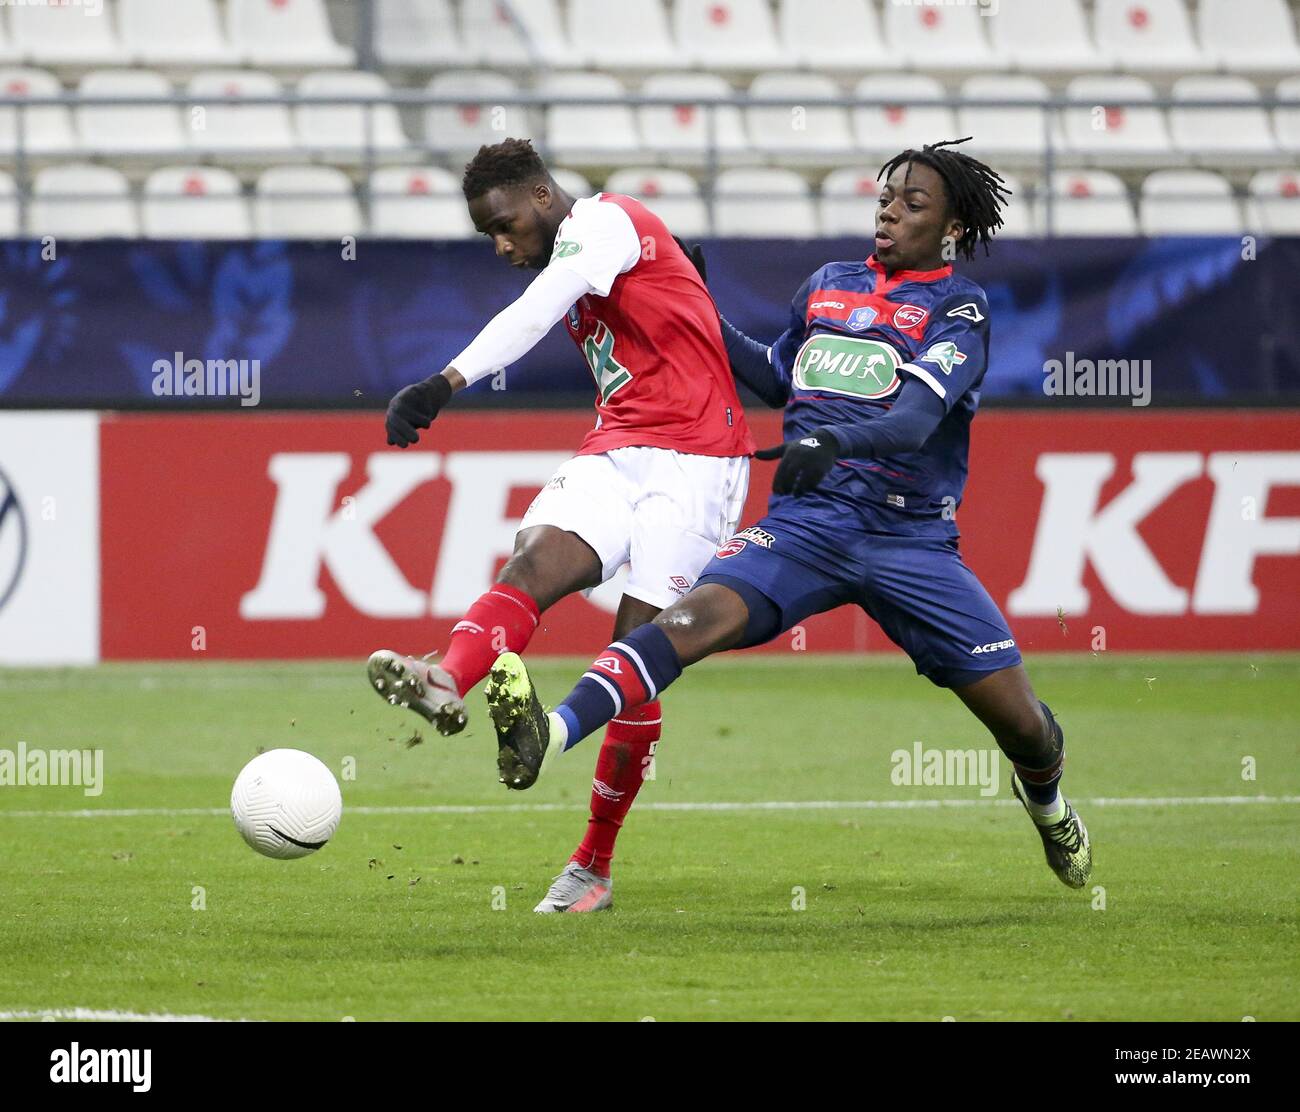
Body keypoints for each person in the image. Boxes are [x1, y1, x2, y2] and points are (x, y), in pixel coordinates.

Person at [485, 138, 1092, 900]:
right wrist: (699, 309)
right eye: (885, 199)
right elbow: (775, 374)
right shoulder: (829, 286)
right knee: (680, 625)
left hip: (909, 540)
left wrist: (835, 438)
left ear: (953, 229)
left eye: (913, 204)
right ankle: (552, 731)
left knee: (1026, 729)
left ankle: (1048, 802)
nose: (890, 213)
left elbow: (909, 422)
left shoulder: (958, 308)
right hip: (806, 526)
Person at [367, 138, 753, 913]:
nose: (503, 244)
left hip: (698, 463)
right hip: (617, 448)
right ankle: (447, 677)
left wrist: (444, 383)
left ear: (543, 197)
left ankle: (592, 868)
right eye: (490, 236)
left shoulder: (605, 221)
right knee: (532, 562)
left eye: (506, 225)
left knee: (639, 656)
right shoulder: (587, 254)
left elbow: (535, 311)